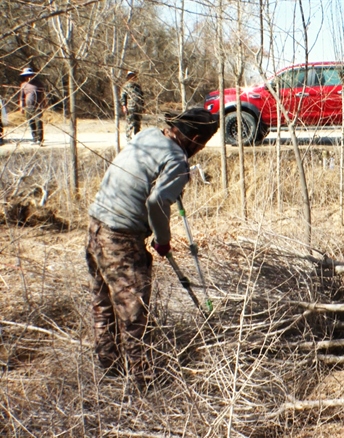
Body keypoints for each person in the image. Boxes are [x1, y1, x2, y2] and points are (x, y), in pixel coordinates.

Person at [85, 108, 218, 384]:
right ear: (195, 139)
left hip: (95, 226)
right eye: (202, 145)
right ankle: (142, 381)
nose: (199, 150)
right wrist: (163, 240)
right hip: (120, 237)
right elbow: (156, 202)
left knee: (103, 302)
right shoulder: (177, 160)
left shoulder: (147, 135)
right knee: (134, 312)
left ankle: (109, 371)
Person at [19, 67, 46, 144]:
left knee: (38, 122)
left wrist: (43, 104)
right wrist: (21, 107)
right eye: (26, 76)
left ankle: (40, 139)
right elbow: (22, 97)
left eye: (30, 75)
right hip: (28, 107)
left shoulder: (39, 84)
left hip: (37, 107)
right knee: (31, 123)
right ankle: (35, 138)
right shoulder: (23, 85)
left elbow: (43, 95)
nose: (28, 77)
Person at [120, 71, 144, 140]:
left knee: (138, 124)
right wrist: (124, 106)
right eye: (131, 76)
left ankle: (137, 139)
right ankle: (128, 139)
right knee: (129, 124)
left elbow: (141, 97)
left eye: (134, 76)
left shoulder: (138, 87)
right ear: (128, 77)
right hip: (130, 108)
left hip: (138, 109)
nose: (132, 77)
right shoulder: (125, 87)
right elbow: (123, 97)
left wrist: (142, 107)